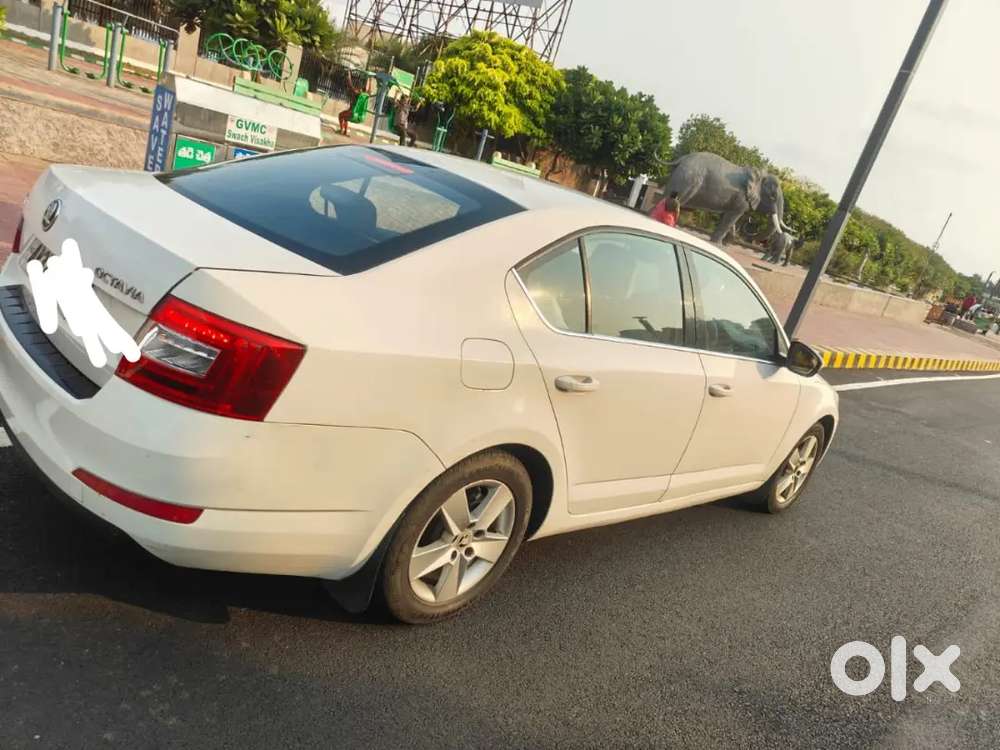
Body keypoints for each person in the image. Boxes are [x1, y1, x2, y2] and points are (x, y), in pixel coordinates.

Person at [339, 71, 367, 137]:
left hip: (352, 113)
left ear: (360, 89)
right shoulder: (365, 96)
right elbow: (369, 91)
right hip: (358, 114)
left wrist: (349, 75)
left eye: (358, 88)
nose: (357, 89)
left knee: (340, 115)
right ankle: (345, 131)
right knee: (345, 118)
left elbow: (350, 84)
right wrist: (370, 80)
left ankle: (341, 130)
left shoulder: (357, 94)